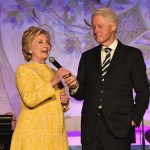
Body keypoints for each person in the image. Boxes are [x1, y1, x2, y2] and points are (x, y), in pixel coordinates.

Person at [64, 8, 150, 150]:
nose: (96, 30)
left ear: (113, 26)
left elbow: (143, 91)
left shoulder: (132, 55)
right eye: (93, 27)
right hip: (91, 128)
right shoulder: (87, 57)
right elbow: (80, 95)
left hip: (119, 128)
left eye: (100, 26)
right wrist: (74, 86)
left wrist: (135, 118)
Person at [10, 26, 71, 150]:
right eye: (40, 42)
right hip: (34, 136)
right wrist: (53, 82)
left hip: (55, 136)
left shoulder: (54, 71)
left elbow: (58, 103)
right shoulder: (24, 70)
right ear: (28, 48)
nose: (46, 45)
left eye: (48, 42)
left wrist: (65, 101)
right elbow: (30, 99)